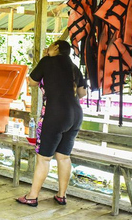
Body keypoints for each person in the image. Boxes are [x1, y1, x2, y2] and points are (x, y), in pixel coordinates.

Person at [16, 40, 87, 207]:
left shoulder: (47, 61)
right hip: (76, 115)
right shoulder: (73, 66)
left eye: (50, 45)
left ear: (56, 48)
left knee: (44, 159)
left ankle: (32, 196)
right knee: (64, 157)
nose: (47, 47)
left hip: (55, 114)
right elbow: (82, 93)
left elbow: (32, 82)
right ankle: (62, 195)